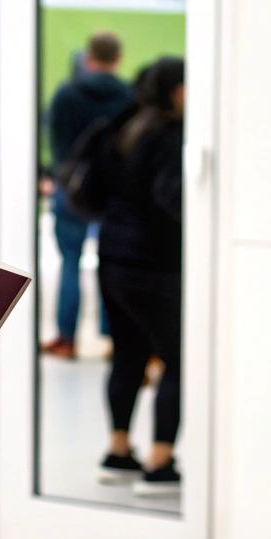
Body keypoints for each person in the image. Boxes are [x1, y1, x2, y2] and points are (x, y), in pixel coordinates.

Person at [94, 56, 185, 497]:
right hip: (155, 263)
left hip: (112, 257)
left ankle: (118, 449)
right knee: (179, 359)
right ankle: (160, 463)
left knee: (128, 353)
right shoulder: (170, 136)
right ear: (175, 90)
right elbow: (171, 197)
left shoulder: (123, 126)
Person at [40, 31, 132, 359]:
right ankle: (112, 340)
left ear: (88, 56)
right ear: (118, 59)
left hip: (72, 190)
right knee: (109, 265)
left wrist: (53, 177)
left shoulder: (66, 94)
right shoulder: (128, 95)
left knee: (70, 263)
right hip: (114, 194)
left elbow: (58, 146)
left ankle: (67, 338)